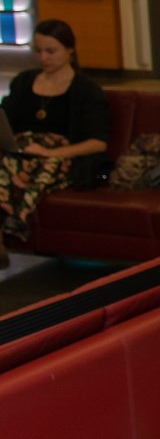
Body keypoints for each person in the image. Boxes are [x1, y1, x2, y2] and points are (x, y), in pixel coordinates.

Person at [0, 19, 110, 268]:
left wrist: (51, 152)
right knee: (12, 164)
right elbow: (6, 120)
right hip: (22, 150)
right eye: (38, 51)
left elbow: (98, 142)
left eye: (51, 51)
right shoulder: (24, 82)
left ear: (69, 50)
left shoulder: (86, 90)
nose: (43, 58)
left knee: (27, 169)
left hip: (60, 156)